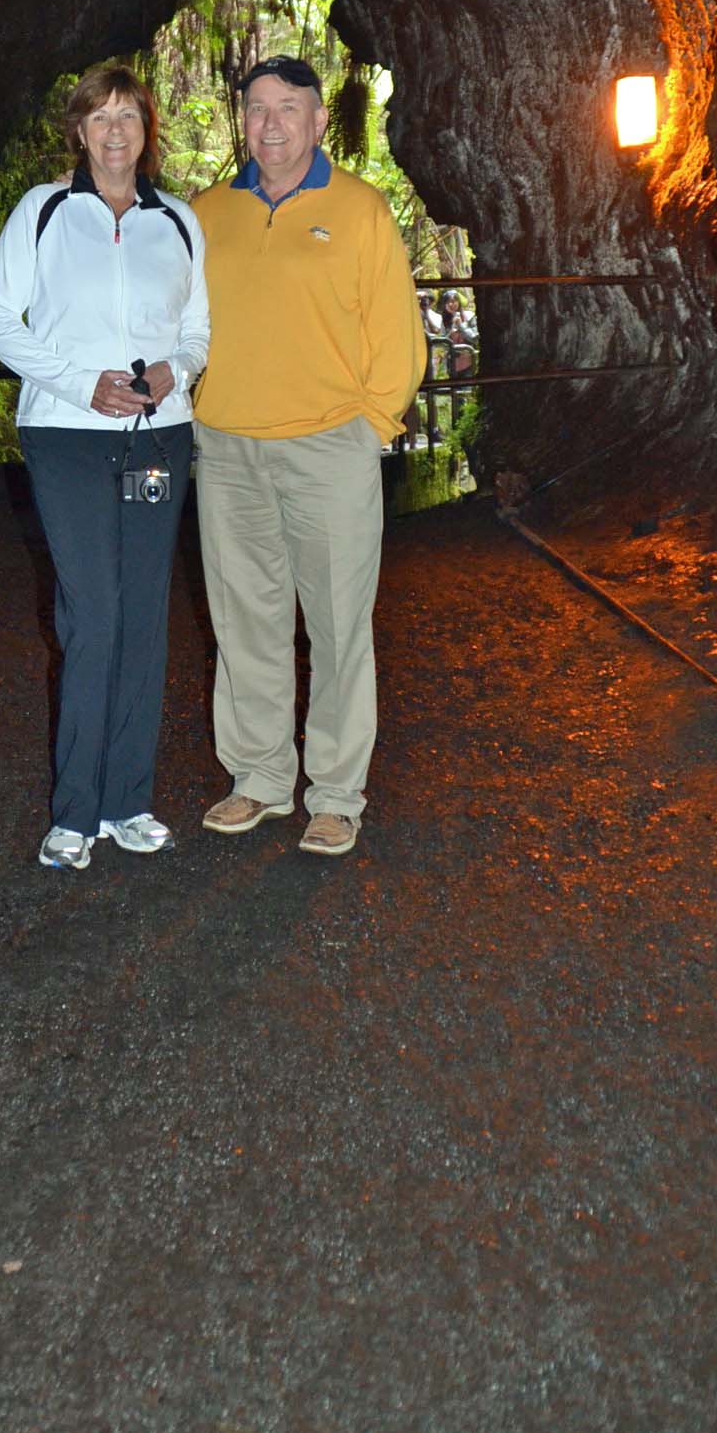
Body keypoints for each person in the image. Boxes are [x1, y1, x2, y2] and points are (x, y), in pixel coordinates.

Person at [191, 56, 426, 858]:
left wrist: (369, 426)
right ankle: (257, 778)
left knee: (336, 626)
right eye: (257, 109)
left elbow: (399, 337)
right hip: (226, 452)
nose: (272, 124)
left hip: (329, 449)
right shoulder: (206, 213)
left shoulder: (360, 211)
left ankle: (333, 794)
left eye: (289, 108)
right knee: (245, 622)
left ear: (320, 120)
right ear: (243, 122)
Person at [0, 63, 210, 871]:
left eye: (130, 118)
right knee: (95, 611)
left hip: (155, 440)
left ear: (148, 133)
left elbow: (198, 333)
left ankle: (128, 802)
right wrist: (82, 383)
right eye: (100, 118)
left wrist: (168, 376)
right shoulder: (43, 213)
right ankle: (74, 811)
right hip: (68, 438)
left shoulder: (177, 222)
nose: (116, 132)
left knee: (145, 613)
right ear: (78, 131)